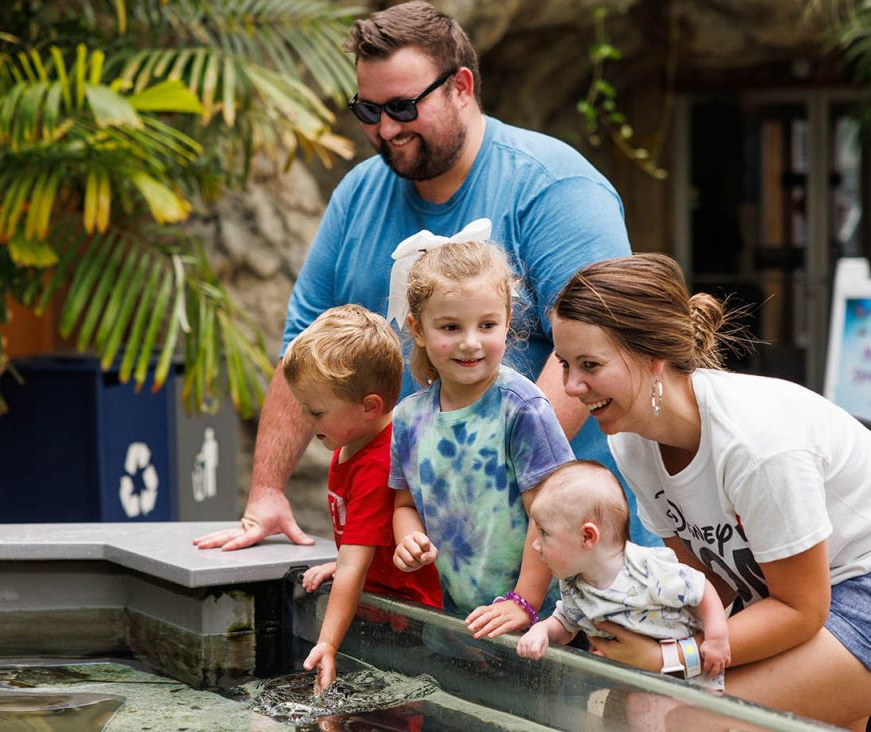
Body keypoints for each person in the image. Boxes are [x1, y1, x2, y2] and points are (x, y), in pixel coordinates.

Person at [192, 0, 659, 555]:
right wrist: (267, 491)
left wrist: (471, 482)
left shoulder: (554, 188)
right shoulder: (357, 195)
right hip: (425, 538)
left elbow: (593, 347)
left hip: (569, 538)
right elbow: (303, 351)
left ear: (461, 86)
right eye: (368, 112)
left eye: (403, 106)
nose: (386, 129)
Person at [548, 253, 871, 730]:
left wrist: (667, 658)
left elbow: (800, 608)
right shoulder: (629, 438)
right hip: (802, 594)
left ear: (653, 355)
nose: (572, 386)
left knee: (661, 715)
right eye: (564, 364)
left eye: (589, 364)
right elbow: (707, 582)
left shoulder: (756, 446)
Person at [387, 239, 572, 638]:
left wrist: (524, 601)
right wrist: (409, 537)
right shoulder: (408, 419)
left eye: (486, 325)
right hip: (455, 622)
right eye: (450, 327)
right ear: (418, 329)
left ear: (507, 321)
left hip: (538, 625)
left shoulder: (522, 408)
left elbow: (552, 516)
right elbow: (404, 503)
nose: (470, 342)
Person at [282, 305, 443, 689]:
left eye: (316, 411)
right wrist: (343, 562)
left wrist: (327, 643)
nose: (306, 420)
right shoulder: (350, 440)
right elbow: (363, 544)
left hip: (407, 625)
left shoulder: (376, 463)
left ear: (369, 406)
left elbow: (357, 563)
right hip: (382, 606)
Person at [516, 460, 729, 692]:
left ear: (587, 536)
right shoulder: (573, 583)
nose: (535, 546)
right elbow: (567, 623)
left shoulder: (648, 571)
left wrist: (716, 637)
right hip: (637, 684)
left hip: (691, 678)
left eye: (545, 533)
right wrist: (542, 631)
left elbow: (701, 589)